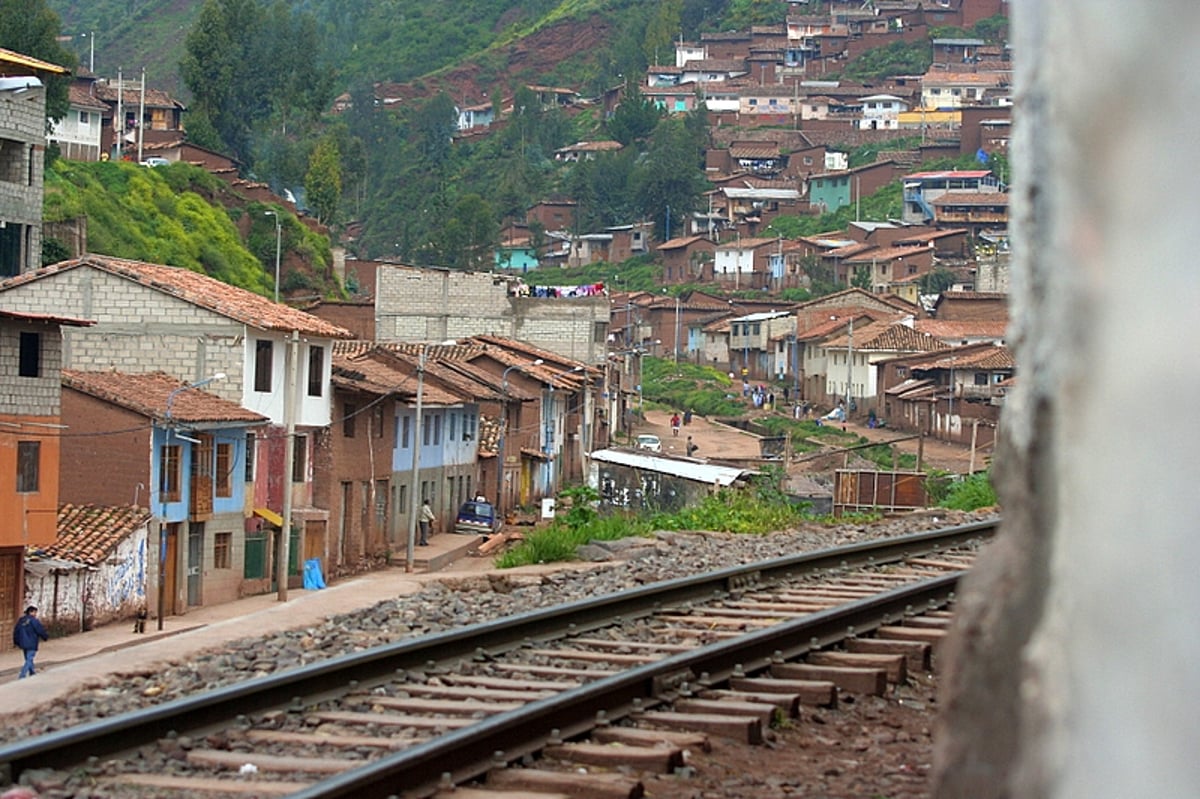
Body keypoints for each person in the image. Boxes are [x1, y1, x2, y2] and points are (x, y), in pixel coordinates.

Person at [13, 606, 49, 679]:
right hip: (32, 642)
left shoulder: (21, 620)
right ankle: (22, 675)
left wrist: (16, 641)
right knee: (29, 659)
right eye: (35, 612)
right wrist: (45, 637)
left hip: (23, 642)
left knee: (28, 658)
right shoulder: (34, 621)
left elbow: (16, 631)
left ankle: (32, 672)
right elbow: (40, 630)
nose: (36, 614)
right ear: (31, 612)